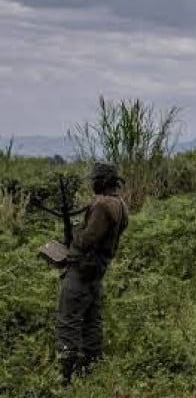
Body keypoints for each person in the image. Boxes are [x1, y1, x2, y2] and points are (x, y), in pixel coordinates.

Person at [58, 162, 129, 384]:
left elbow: (86, 240)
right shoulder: (120, 204)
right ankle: (90, 374)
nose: (93, 184)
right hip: (97, 273)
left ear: (103, 181)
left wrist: (74, 236)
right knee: (92, 323)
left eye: (95, 180)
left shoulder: (102, 205)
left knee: (68, 322)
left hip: (82, 272)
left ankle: (64, 377)